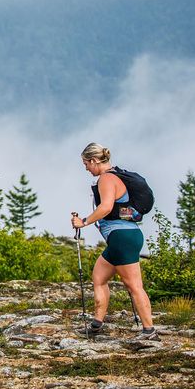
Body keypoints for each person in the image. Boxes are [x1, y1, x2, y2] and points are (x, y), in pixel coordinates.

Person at [70, 142, 159, 340]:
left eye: (86, 163)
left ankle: (149, 331)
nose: (86, 168)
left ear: (94, 161)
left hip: (122, 238)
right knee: (99, 279)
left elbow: (106, 207)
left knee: (134, 286)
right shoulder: (116, 175)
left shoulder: (106, 179)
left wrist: (83, 222)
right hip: (125, 237)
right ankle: (96, 325)